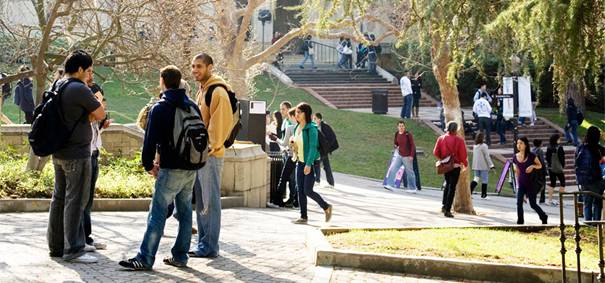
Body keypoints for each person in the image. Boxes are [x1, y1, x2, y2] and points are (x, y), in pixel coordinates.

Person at [119, 65, 199, 270]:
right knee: (185, 212)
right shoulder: (191, 105)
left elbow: (150, 140)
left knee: (157, 213)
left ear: (162, 81)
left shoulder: (161, 107)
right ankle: (180, 256)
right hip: (191, 167)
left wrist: (148, 165)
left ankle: (145, 258)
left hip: (171, 167)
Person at [47, 50, 105, 263]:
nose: (90, 75)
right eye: (88, 70)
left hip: (59, 151)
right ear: (79, 69)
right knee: (76, 200)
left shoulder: (58, 84)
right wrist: (89, 112)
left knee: (59, 199)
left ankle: (57, 246)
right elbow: (100, 113)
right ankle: (74, 249)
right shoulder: (79, 89)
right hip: (77, 153)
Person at [190, 53, 234, 258]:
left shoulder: (218, 92)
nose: (195, 70)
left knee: (210, 201)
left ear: (210, 67)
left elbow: (219, 126)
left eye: (199, 66)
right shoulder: (204, 90)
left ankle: (209, 246)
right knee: (202, 201)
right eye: (192, 67)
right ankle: (203, 244)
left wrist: (207, 148)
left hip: (211, 155)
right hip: (202, 155)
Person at [291, 102, 333, 224]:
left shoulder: (312, 129)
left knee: (307, 190)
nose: (296, 114)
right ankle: (303, 217)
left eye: (299, 112)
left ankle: (326, 207)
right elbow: (298, 145)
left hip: (311, 163)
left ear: (306, 114)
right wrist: (293, 145)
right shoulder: (297, 128)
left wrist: (308, 164)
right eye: (296, 112)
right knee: (300, 190)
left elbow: (313, 147)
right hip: (300, 162)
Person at [83, 75, 111, 251]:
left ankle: (87, 237)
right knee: (84, 200)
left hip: (94, 153)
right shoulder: (85, 113)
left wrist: (101, 125)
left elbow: (94, 131)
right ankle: (83, 239)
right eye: (99, 100)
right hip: (85, 155)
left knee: (88, 200)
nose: (103, 104)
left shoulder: (96, 118)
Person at [433, 121, 468, 218]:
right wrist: (464, 164)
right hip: (455, 166)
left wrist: (443, 160)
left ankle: (444, 206)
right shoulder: (459, 140)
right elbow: (463, 155)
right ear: (456, 129)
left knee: (447, 184)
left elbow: (436, 152)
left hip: (446, 166)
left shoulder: (441, 138)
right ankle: (448, 210)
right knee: (452, 187)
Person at [513, 136, 548, 224]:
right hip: (521, 183)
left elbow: (540, 165)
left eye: (521, 143)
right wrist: (517, 185)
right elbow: (517, 172)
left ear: (525, 145)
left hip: (531, 183)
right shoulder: (515, 157)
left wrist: (532, 166)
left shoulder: (532, 155)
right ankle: (520, 221)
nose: (519, 145)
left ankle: (543, 216)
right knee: (519, 203)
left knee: (532, 204)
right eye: (518, 143)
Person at [577, 126, 605, 221]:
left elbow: (576, 163)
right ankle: (597, 224)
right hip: (597, 180)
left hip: (583, 180)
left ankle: (588, 223)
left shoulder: (581, 147)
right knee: (597, 203)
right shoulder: (600, 149)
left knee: (587, 203)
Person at [274, 108, 298, 208]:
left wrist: (276, 139)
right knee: (296, 180)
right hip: (300, 157)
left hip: (291, 155)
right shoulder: (303, 128)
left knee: (283, 178)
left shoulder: (291, 128)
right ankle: (296, 201)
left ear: (293, 116)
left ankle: (277, 201)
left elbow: (284, 143)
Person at [385, 120, 417, 193]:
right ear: (397, 127)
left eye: (402, 126)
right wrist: (396, 145)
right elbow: (396, 143)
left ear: (404, 127)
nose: (401, 127)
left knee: (410, 172)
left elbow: (413, 145)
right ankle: (390, 184)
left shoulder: (408, 134)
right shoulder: (397, 134)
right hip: (399, 155)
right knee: (393, 169)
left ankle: (413, 188)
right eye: (400, 126)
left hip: (407, 156)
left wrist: (411, 156)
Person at [312, 113, 338, 189]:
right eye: (313, 118)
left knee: (317, 164)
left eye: (315, 119)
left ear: (319, 119)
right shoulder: (316, 127)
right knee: (326, 166)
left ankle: (317, 180)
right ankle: (330, 183)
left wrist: (327, 146)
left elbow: (333, 137)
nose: (314, 120)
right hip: (321, 149)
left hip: (323, 150)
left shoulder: (325, 126)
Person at [471, 133, 494, 199]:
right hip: (483, 166)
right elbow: (487, 156)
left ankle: (469, 192)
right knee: (485, 180)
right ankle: (484, 195)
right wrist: (491, 165)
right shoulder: (484, 146)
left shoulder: (475, 146)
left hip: (476, 165)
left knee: (476, 179)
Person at [545, 134, 566, 206]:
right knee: (563, 183)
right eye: (559, 139)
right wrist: (562, 166)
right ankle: (560, 201)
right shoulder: (559, 148)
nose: (560, 140)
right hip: (558, 168)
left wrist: (550, 165)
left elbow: (547, 158)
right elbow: (562, 158)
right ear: (556, 139)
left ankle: (549, 200)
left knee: (552, 184)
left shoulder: (549, 147)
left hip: (551, 168)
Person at [532, 139, 547, 204]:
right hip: (540, 170)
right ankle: (542, 199)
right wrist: (545, 170)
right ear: (540, 144)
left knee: (535, 184)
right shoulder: (540, 151)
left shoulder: (532, 150)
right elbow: (542, 162)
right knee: (543, 184)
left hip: (534, 170)